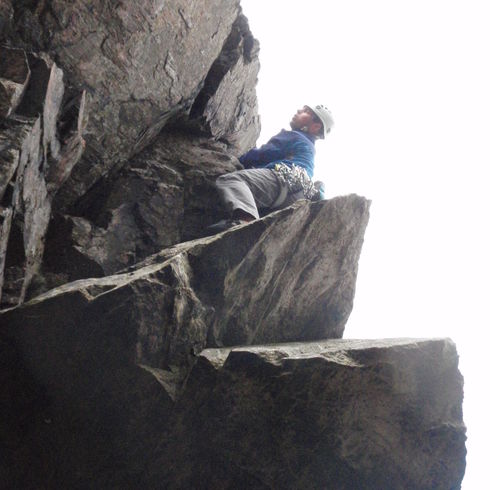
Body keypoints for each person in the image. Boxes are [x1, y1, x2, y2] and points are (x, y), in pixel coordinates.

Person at [207, 104, 334, 234]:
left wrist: (237, 159)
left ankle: (245, 221)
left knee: (232, 180)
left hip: (283, 179)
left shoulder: (294, 136)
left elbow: (264, 153)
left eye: (305, 111)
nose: (299, 110)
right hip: (297, 196)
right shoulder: (308, 147)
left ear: (316, 126)